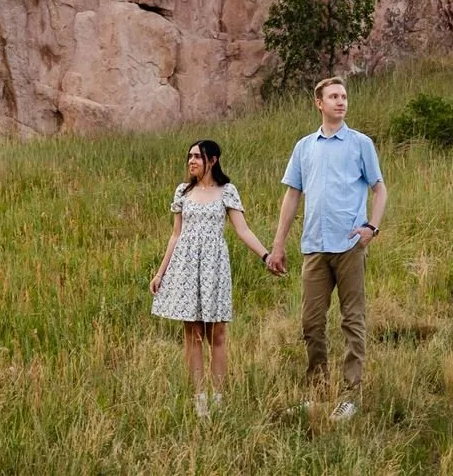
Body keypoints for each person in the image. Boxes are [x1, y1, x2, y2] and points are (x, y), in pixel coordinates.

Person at [265, 76, 388, 421]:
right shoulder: (305, 147)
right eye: (333, 96)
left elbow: (380, 189)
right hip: (314, 247)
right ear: (319, 103)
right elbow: (292, 195)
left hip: (349, 246)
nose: (341, 101)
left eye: (344, 96)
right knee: (311, 322)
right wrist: (278, 245)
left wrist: (371, 227)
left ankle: (351, 394)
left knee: (353, 319)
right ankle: (318, 391)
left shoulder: (360, 143)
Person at [150, 138, 274, 417]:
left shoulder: (226, 191)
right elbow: (175, 235)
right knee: (192, 334)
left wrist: (266, 256)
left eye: (197, 156)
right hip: (185, 267)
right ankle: (200, 398)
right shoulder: (183, 191)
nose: (191, 161)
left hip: (214, 266)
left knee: (216, 333)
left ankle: (218, 397)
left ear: (213, 160)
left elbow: (243, 230)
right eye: (189, 156)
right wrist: (161, 272)